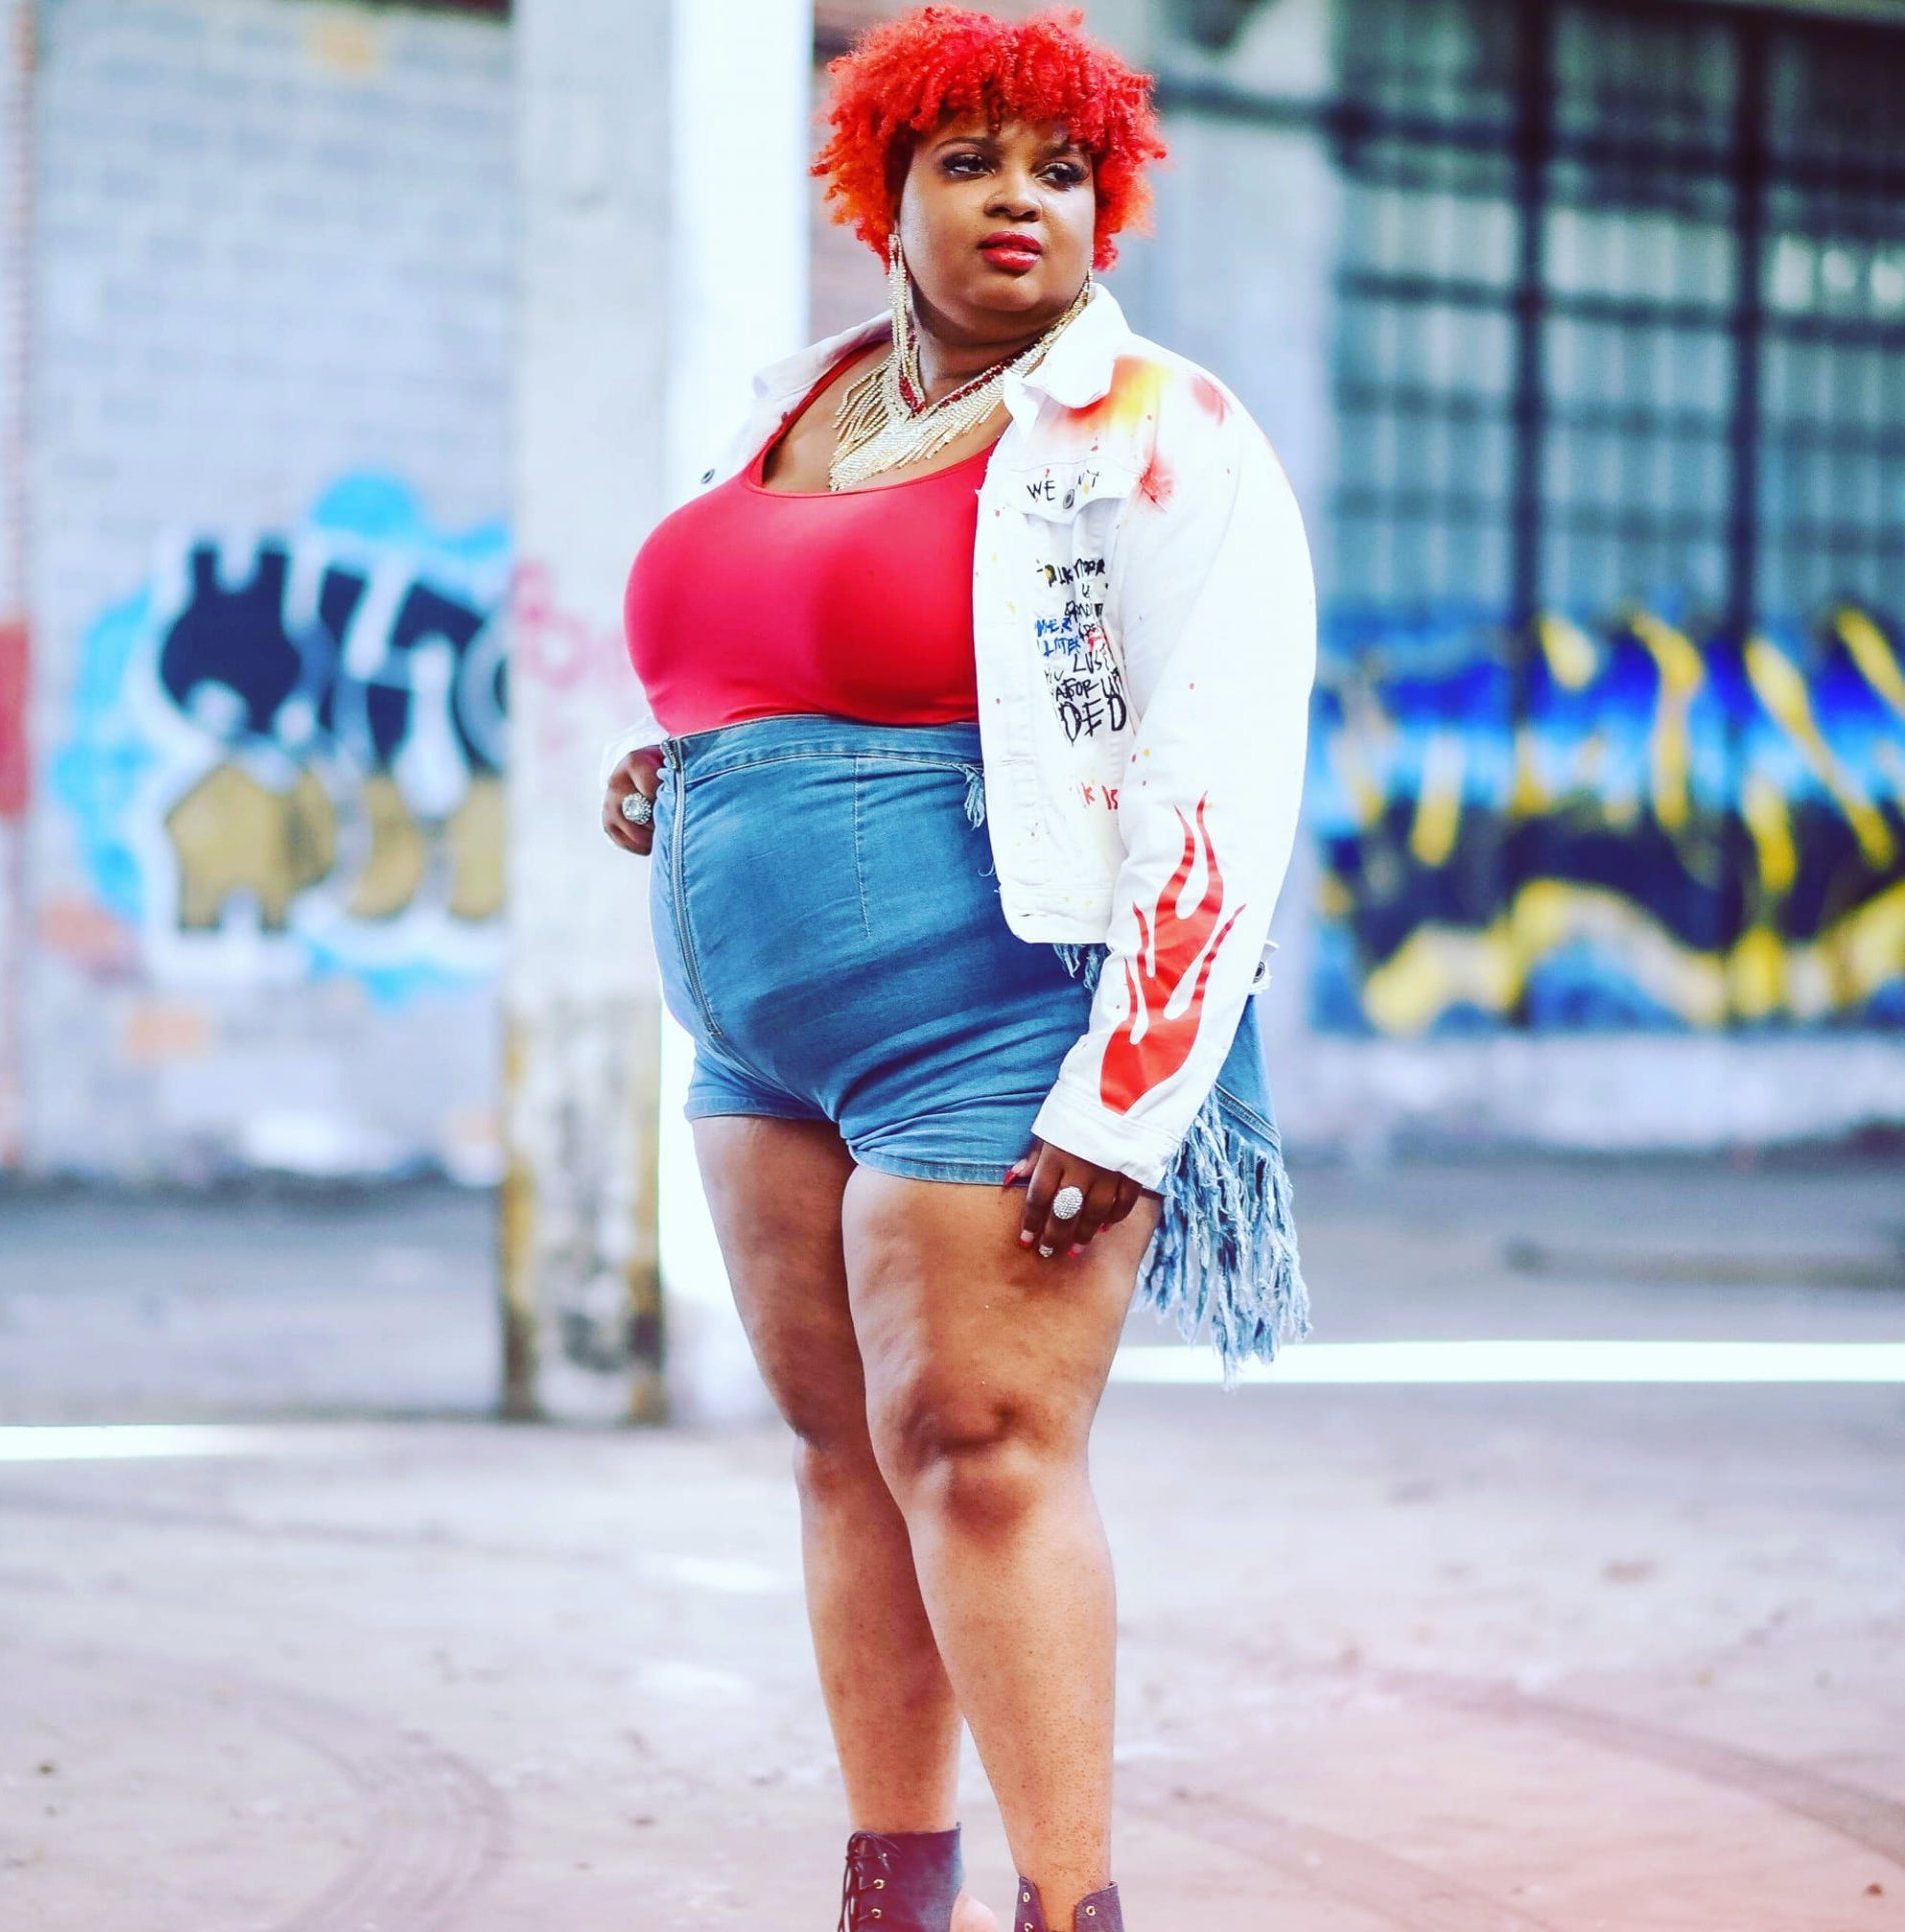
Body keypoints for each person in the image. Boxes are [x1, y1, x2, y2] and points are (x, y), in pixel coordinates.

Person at [598, 10, 1316, 1929]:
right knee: (847, 1460)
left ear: (1110, 202)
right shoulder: (803, 400)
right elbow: (792, 654)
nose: (1021, 200)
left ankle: (1068, 1906)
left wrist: (1133, 1095)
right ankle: (889, 1898)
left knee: (979, 1453)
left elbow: (1219, 778)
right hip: (756, 1042)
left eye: (1060, 168)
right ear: (882, 195)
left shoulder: (1152, 427)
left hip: (998, 1009)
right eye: (969, 161)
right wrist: (688, 765)